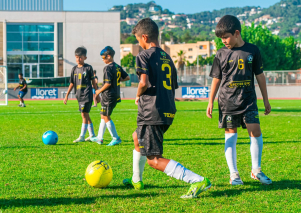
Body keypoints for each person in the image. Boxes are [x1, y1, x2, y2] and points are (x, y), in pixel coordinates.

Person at [122, 18, 211, 199]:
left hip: (151, 110)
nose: (138, 44)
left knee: (153, 159)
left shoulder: (143, 56)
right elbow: (172, 86)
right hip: (167, 108)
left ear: (145, 37)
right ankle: (136, 179)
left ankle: (197, 180)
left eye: (138, 40)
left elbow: (143, 82)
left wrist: (138, 94)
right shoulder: (167, 58)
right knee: (136, 137)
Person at [206, 15, 272, 185]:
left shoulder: (253, 50)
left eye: (226, 37)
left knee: (255, 131)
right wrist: (210, 101)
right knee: (231, 134)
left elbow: (260, 76)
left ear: (236, 33)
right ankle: (234, 174)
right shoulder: (220, 54)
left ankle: (256, 170)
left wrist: (266, 100)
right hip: (227, 101)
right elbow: (216, 79)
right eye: (221, 39)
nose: (223, 41)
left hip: (248, 99)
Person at [90, 46, 130, 146]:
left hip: (108, 95)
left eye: (103, 58)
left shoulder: (107, 68)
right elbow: (127, 77)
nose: (103, 60)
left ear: (109, 56)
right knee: (103, 115)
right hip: (115, 94)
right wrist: (117, 80)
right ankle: (99, 138)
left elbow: (107, 84)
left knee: (106, 116)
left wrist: (98, 91)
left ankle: (116, 138)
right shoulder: (117, 66)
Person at [63, 47, 98, 143]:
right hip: (78, 95)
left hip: (87, 94)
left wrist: (97, 93)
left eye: (80, 57)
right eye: (77, 57)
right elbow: (72, 83)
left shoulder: (88, 68)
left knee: (84, 114)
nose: (78, 59)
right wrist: (66, 96)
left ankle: (82, 136)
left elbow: (93, 82)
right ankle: (92, 135)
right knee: (86, 114)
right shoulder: (74, 69)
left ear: (85, 57)